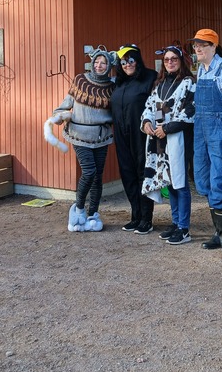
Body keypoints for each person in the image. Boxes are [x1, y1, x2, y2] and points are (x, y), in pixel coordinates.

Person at [48, 47, 115, 232]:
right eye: (97, 62)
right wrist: (60, 116)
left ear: (108, 66)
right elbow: (64, 106)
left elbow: (116, 112)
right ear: (92, 63)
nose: (99, 66)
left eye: (103, 63)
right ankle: (78, 210)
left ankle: (93, 214)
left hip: (101, 136)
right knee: (89, 172)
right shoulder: (80, 80)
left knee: (97, 177)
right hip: (79, 135)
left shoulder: (112, 87)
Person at [190, 28, 222, 259]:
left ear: (213, 47)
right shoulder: (201, 70)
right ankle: (216, 232)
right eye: (195, 45)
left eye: (202, 45)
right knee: (203, 179)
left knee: (220, 179)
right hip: (201, 130)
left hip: (220, 131)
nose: (197, 48)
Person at [141, 45, 196, 245]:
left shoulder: (189, 83)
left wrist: (168, 128)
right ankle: (175, 222)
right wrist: (148, 123)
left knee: (180, 183)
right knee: (170, 183)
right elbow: (152, 108)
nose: (170, 62)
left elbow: (190, 111)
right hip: (160, 141)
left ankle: (184, 228)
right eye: (166, 60)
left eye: (174, 59)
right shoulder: (160, 85)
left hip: (178, 140)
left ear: (181, 61)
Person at [110, 44, 156, 234]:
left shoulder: (150, 78)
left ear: (137, 61)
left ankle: (147, 218)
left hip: (141, 134)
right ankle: (135, 215)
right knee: (127, 174)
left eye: (131, 60)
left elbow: (157, 105)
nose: (127, 64)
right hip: (121, 135)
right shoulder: (118, 83)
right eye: (123, 62)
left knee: (142, 174)